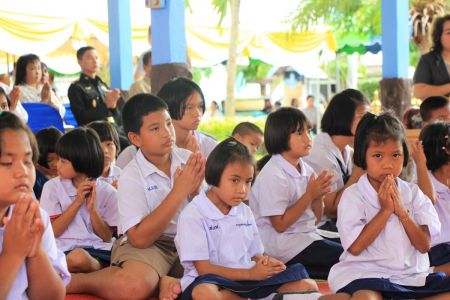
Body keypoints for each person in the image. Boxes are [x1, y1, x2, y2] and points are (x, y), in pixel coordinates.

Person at [65, 94, 205, 299]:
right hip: (151, 247)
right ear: (135, 139)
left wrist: (195, 193)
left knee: (229, 270)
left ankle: (168, 282)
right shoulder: (131, 175)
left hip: (188, 243)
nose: (167, 133)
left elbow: (211, 213)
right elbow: (139, 239)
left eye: (168, 123)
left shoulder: (188, 160)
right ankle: (78, 281)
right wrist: (179, 191)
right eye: (155, 129)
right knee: (133, 286)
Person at [325, 112, 450, 299]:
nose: (388, 164)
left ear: (404, 155)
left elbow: (424, 245)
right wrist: (385, 211)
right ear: (362, 157)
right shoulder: (353, 195)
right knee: (366, 298)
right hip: (366, 273)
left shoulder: (414, 194)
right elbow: (356, 247)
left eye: (395, 155)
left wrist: (401, 211)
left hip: (411, 276)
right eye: (378, 155)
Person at [175, 137, 319, 299]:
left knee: (307, 285)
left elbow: (255, 255)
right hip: (212, 281)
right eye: (235, 180)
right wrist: (250, 274)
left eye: (248, 181)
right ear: (214, 175)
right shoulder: (194, 214)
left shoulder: (244, 211)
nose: (242, 190)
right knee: (205, 294)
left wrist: (267, 263)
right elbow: (204, 269)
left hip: (246, 280)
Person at [249, 107, 342, 280]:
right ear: (280, 136)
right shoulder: (273, 174)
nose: (308, 138)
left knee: (354, 246)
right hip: (282, 245)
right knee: (346, 258)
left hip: (306, 236)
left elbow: (315, 218)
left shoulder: (306, 169)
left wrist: (318, 197)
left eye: (309, 131)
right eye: (299, 133)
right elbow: (280, 225)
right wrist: (309, 195)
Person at [0, 111, 69, 299]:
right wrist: (13, 253)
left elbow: (53, 296)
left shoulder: (33, 217)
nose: (22, 171)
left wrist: (35, 252)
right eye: (7, 162)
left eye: (27, 161)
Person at [39, 128, 118, 274]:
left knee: (81, 259)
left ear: (81, 161)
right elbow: (53, 232)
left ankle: (96, 271)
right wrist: (77, 202)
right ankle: (103, 273)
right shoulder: (52, 187)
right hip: (64, 248)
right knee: (76, 258)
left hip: (99, 250)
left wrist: (92, 209)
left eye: (63, 161)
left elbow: (106, 237)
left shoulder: (108, 192)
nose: (57, 165)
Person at [304, 89, 370, 220]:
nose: (368, 124)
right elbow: (331, 210)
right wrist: (362, 168)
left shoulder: (347, 151)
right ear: (344, 117)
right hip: (320, 228)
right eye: (363, 116)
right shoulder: (320, 155)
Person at [157, 77, 217, 158]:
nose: (197, 113)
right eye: (189, 107)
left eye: (200, 106)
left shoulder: (209, 145)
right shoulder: (157, 148)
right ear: (170, 108)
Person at [420, 122, 450, 276]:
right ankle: (432, 273)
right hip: (437, 252)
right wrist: (420, 163)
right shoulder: (422, 184)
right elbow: (427, 199)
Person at [68, 46, 121, 126]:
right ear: (80, 62)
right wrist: (106, 105)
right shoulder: (76, 87)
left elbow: (117, 118)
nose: (95, 61)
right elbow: (81, 118)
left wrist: (113, 105)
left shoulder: (102, 85)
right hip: (95, 133)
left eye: (96, 57)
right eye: (90, 58)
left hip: (113, 129)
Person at [413, 14, 450, 99]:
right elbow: (419, 92)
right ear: (438, 36)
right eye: (449, 32)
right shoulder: (428, 60)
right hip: (438, 111)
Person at [87, 121, 121, 188]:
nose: (105, 151)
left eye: (109, 144)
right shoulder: (83, 176)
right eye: (98, 145)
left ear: (116, 146)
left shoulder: (120, 174)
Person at [33, 127, 63, 200]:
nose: (56, 164)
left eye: (60, 158)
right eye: (50, 160)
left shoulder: (67, 174)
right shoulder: (34, 179)